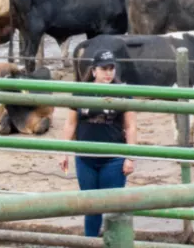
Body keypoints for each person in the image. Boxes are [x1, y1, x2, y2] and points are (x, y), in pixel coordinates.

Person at [59, 49, 137, 237]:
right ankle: (91, 241)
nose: (108, 73)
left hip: (114, 158)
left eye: (111, 69)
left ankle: (115, 241)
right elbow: (70, 123)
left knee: (113, 206)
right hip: (85, 158)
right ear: (94, 71)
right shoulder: (81, 91)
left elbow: (131, 126)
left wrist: (130, 157)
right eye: (104, 69)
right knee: (91, 206)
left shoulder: (124, 93)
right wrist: (63, 151)